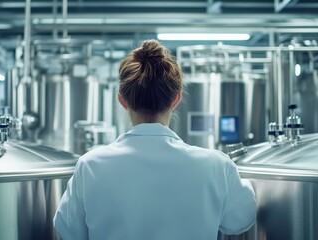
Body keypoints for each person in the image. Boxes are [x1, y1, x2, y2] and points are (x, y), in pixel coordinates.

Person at [53, 39, 256, 240]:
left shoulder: (90, 166)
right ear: (176, 99)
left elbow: (69, 231)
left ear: (122, 100)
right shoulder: (216, 165)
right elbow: (240, 221)